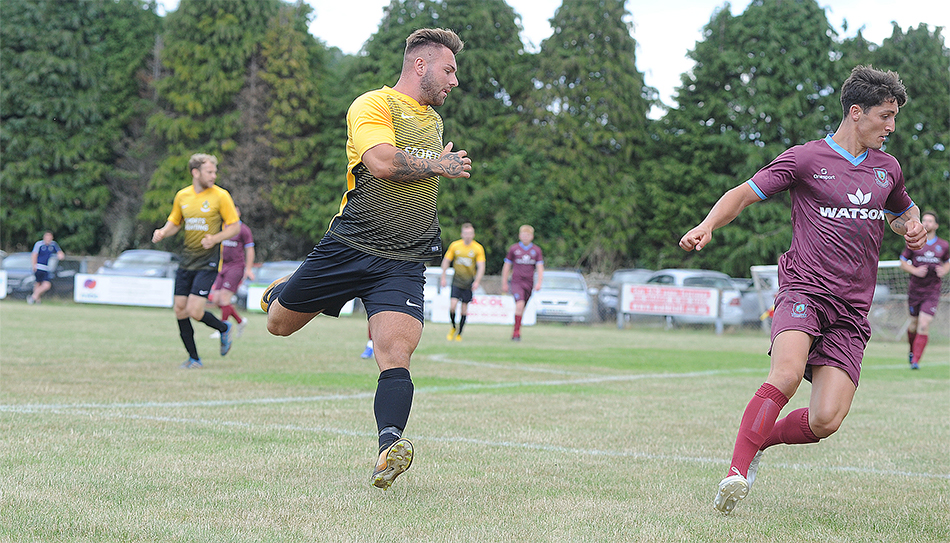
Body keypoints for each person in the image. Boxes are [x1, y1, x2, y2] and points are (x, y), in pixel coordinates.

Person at [679, 65, 926, 515]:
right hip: (804, 290)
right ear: (857, 112)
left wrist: (910, 228)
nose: (891, 127)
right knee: (787, 374)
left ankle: (759, 443)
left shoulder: (887, 169)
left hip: (852, 310)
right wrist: (708, 224)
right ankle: (736, 471)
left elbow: (901, 213)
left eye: (894, 117)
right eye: (886, 116)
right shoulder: (807, 158)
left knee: (826, 420)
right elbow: (744, 192)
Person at [258, 28, 470, 490]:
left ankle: (388, 448)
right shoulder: (372, 105)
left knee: (396, 350)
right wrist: (438, 165)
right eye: (449, 70)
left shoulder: (433, 122)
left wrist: (435, 164)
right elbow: (379, 162)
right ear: (421, 65)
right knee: (279, 324)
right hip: (351, 246)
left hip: (404, 258)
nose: (455, 80)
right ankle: (280, 291)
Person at [152, 153, 241, 369]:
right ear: (195, 172)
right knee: (180, 309)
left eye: (214, 171)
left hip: (208, 262)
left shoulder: (221, 196)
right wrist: (163, 232)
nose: (214, 175)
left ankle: (223, 328)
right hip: (186, 261)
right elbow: (175, 222)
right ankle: (194, 359)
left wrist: (215, 239)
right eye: (209, 172)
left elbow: (235, 226)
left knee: (194, 311)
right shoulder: (182, 196)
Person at [899, 210, 949, 369]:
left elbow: (948, 261)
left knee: (924, 323)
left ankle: (915, 361)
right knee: (913, 324)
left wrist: (945, 270)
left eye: (929, 221)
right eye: (924, 220)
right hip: (915, 290)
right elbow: (902, 262)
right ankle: (912, 350)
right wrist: (914, 270)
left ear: (936, 225)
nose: (926, 223)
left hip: (932, 291)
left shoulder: (943, 245)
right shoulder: (914, 242)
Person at [210, 205, 255, 339]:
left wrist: (248, 268)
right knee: (217, 299)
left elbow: (250, 249)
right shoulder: (223, 227)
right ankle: (240, 321)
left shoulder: (243, 230)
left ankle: (222, 329)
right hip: (222, 266)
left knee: (224, 298)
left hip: (236, 267)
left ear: (239, 213)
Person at [440, 222, 486, 341]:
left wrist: (477, 281)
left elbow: (481, 266)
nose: (468, 236)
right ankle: (453, 327)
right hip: (456, 281)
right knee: (453, 306)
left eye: (470, 233)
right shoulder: (455, 246)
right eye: (466, 233)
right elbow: (446, 261)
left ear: (473, 234)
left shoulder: (477, 248)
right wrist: (443, 276)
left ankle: (459, 333)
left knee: (464, 309)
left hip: (468, 283)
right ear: (462, 234)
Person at [501, 224, 544, 341]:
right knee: (519, 305)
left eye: (527, 235)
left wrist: (539, 282)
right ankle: (516, 333)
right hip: (516, 282)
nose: (525, 237)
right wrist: (504, 282)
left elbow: (540, 267)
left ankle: (517, 329)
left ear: (532, 236)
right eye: (523, 235)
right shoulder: (514, 249)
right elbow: (507, 266)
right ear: (520, 236)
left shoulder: (536, 250)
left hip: (529, 283)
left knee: (522, 308)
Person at [28, 231, 65, 304]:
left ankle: (33, 297)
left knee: (46, 285)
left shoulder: (53, 245)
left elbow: (60, 253)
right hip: (38, 267)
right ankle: (37, 300)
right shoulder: (39, 244)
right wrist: (34, 265)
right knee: (38, 283)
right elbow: (34, 254)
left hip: (46, 268)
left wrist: (60, 255)